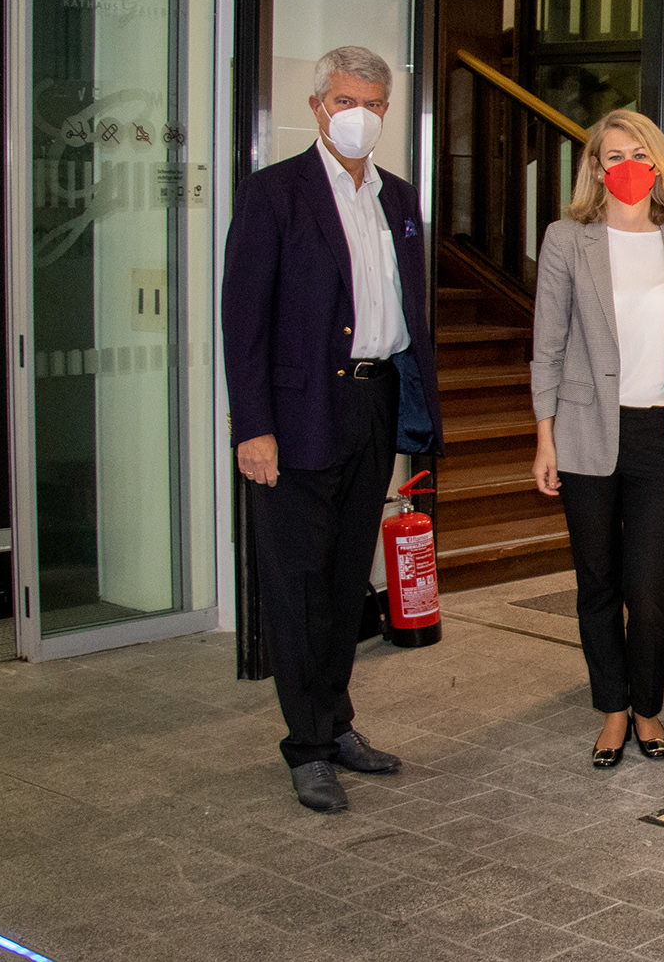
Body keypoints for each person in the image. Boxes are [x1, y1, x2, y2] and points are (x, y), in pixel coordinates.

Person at [222, 45, 442, 814]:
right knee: (297, 582)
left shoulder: (399, 199)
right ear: (318, 105)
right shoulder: (274, 194)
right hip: (295, 413)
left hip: (372, 404)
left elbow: (408, 313)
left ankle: (337, 720)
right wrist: (252, 426)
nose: (361, 115)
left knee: (348, 574)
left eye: (376, 103)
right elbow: (243, 320)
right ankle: (307, 745)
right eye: (347, 99)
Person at [530, 108, 664, 767]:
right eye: (613, 156)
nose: (627, 168)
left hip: (662, 434)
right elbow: (547, 345)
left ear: (658, 165)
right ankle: (613, 709)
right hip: (586, 430)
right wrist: (545, 438)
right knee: (597, 580)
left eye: (639, 155)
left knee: (650, 586)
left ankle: (648, 707)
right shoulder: (567, 240)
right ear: (595, 167)